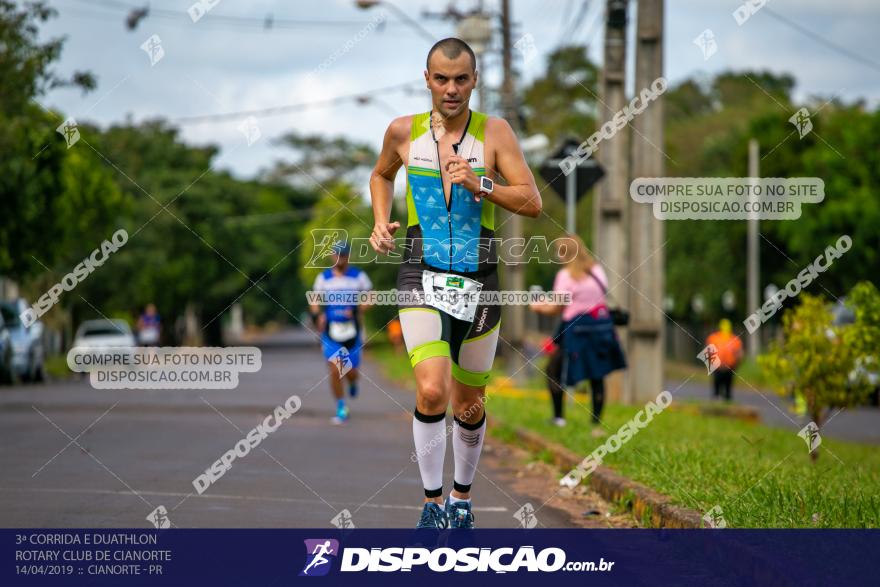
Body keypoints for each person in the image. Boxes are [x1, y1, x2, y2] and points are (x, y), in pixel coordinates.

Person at [368, 38, 541, 529]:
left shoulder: (496, 133)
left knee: (469, 402)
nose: (451, 89)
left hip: (479, 277)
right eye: (441, 79)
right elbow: (381, 176)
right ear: (426, 79)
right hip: (420, 271)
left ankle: (461, 500)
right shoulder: (403, 132)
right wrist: (380, 221)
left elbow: (532, 202)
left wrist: (480, 183)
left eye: (461, 79)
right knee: (431, 391)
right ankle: (430, 505)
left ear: (474, 80)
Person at [530, 235, 626, 437]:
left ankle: (558, 418)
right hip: (600, 329)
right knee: (597, 374)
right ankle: (596, 421)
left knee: (554, 370)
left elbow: (557, 307)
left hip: (575, 330)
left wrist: (538, 307)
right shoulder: (596, 270)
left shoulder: (566, 276)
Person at [309, 242, 372, 425]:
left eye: (343, 255)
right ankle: (341, 406)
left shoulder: (358, 276)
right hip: (331, 331)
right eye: (337, 255)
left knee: (351, 371)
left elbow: (371, 296)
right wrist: (316, 315)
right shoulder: (324, 278)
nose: (340, 258)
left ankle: (352, 383)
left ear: (348, 256)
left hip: (353, 331)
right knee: (336, 370)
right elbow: (314, 299)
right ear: (332, 256)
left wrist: (358, 309)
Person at [705, 319, 743, 401]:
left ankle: (726, 401)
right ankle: (717, 400)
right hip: (717, 367)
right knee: (717, 389)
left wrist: (736, 364)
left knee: (728, 390)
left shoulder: (734, 339)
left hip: (729, 367)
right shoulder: (714, 338)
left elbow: (739, 354)